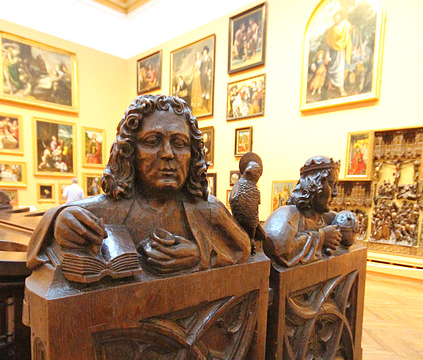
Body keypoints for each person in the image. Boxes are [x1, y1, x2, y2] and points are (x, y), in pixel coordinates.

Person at [27, 94, 250, 275]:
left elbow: (245, 250)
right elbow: (44, 241)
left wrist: (200, 256)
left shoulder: (208, 211)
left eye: (179, 143)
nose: (168, 154)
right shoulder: (108, 209)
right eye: (152, 142)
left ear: (193, 154)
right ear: (130, 152)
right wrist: (61, 224)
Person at [263, 155, 342, 267]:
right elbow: (278, 244)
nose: (335, 193)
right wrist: (322, 237)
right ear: (315, 185)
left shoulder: (329, 218)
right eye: (331, 184)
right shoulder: (288, 214)